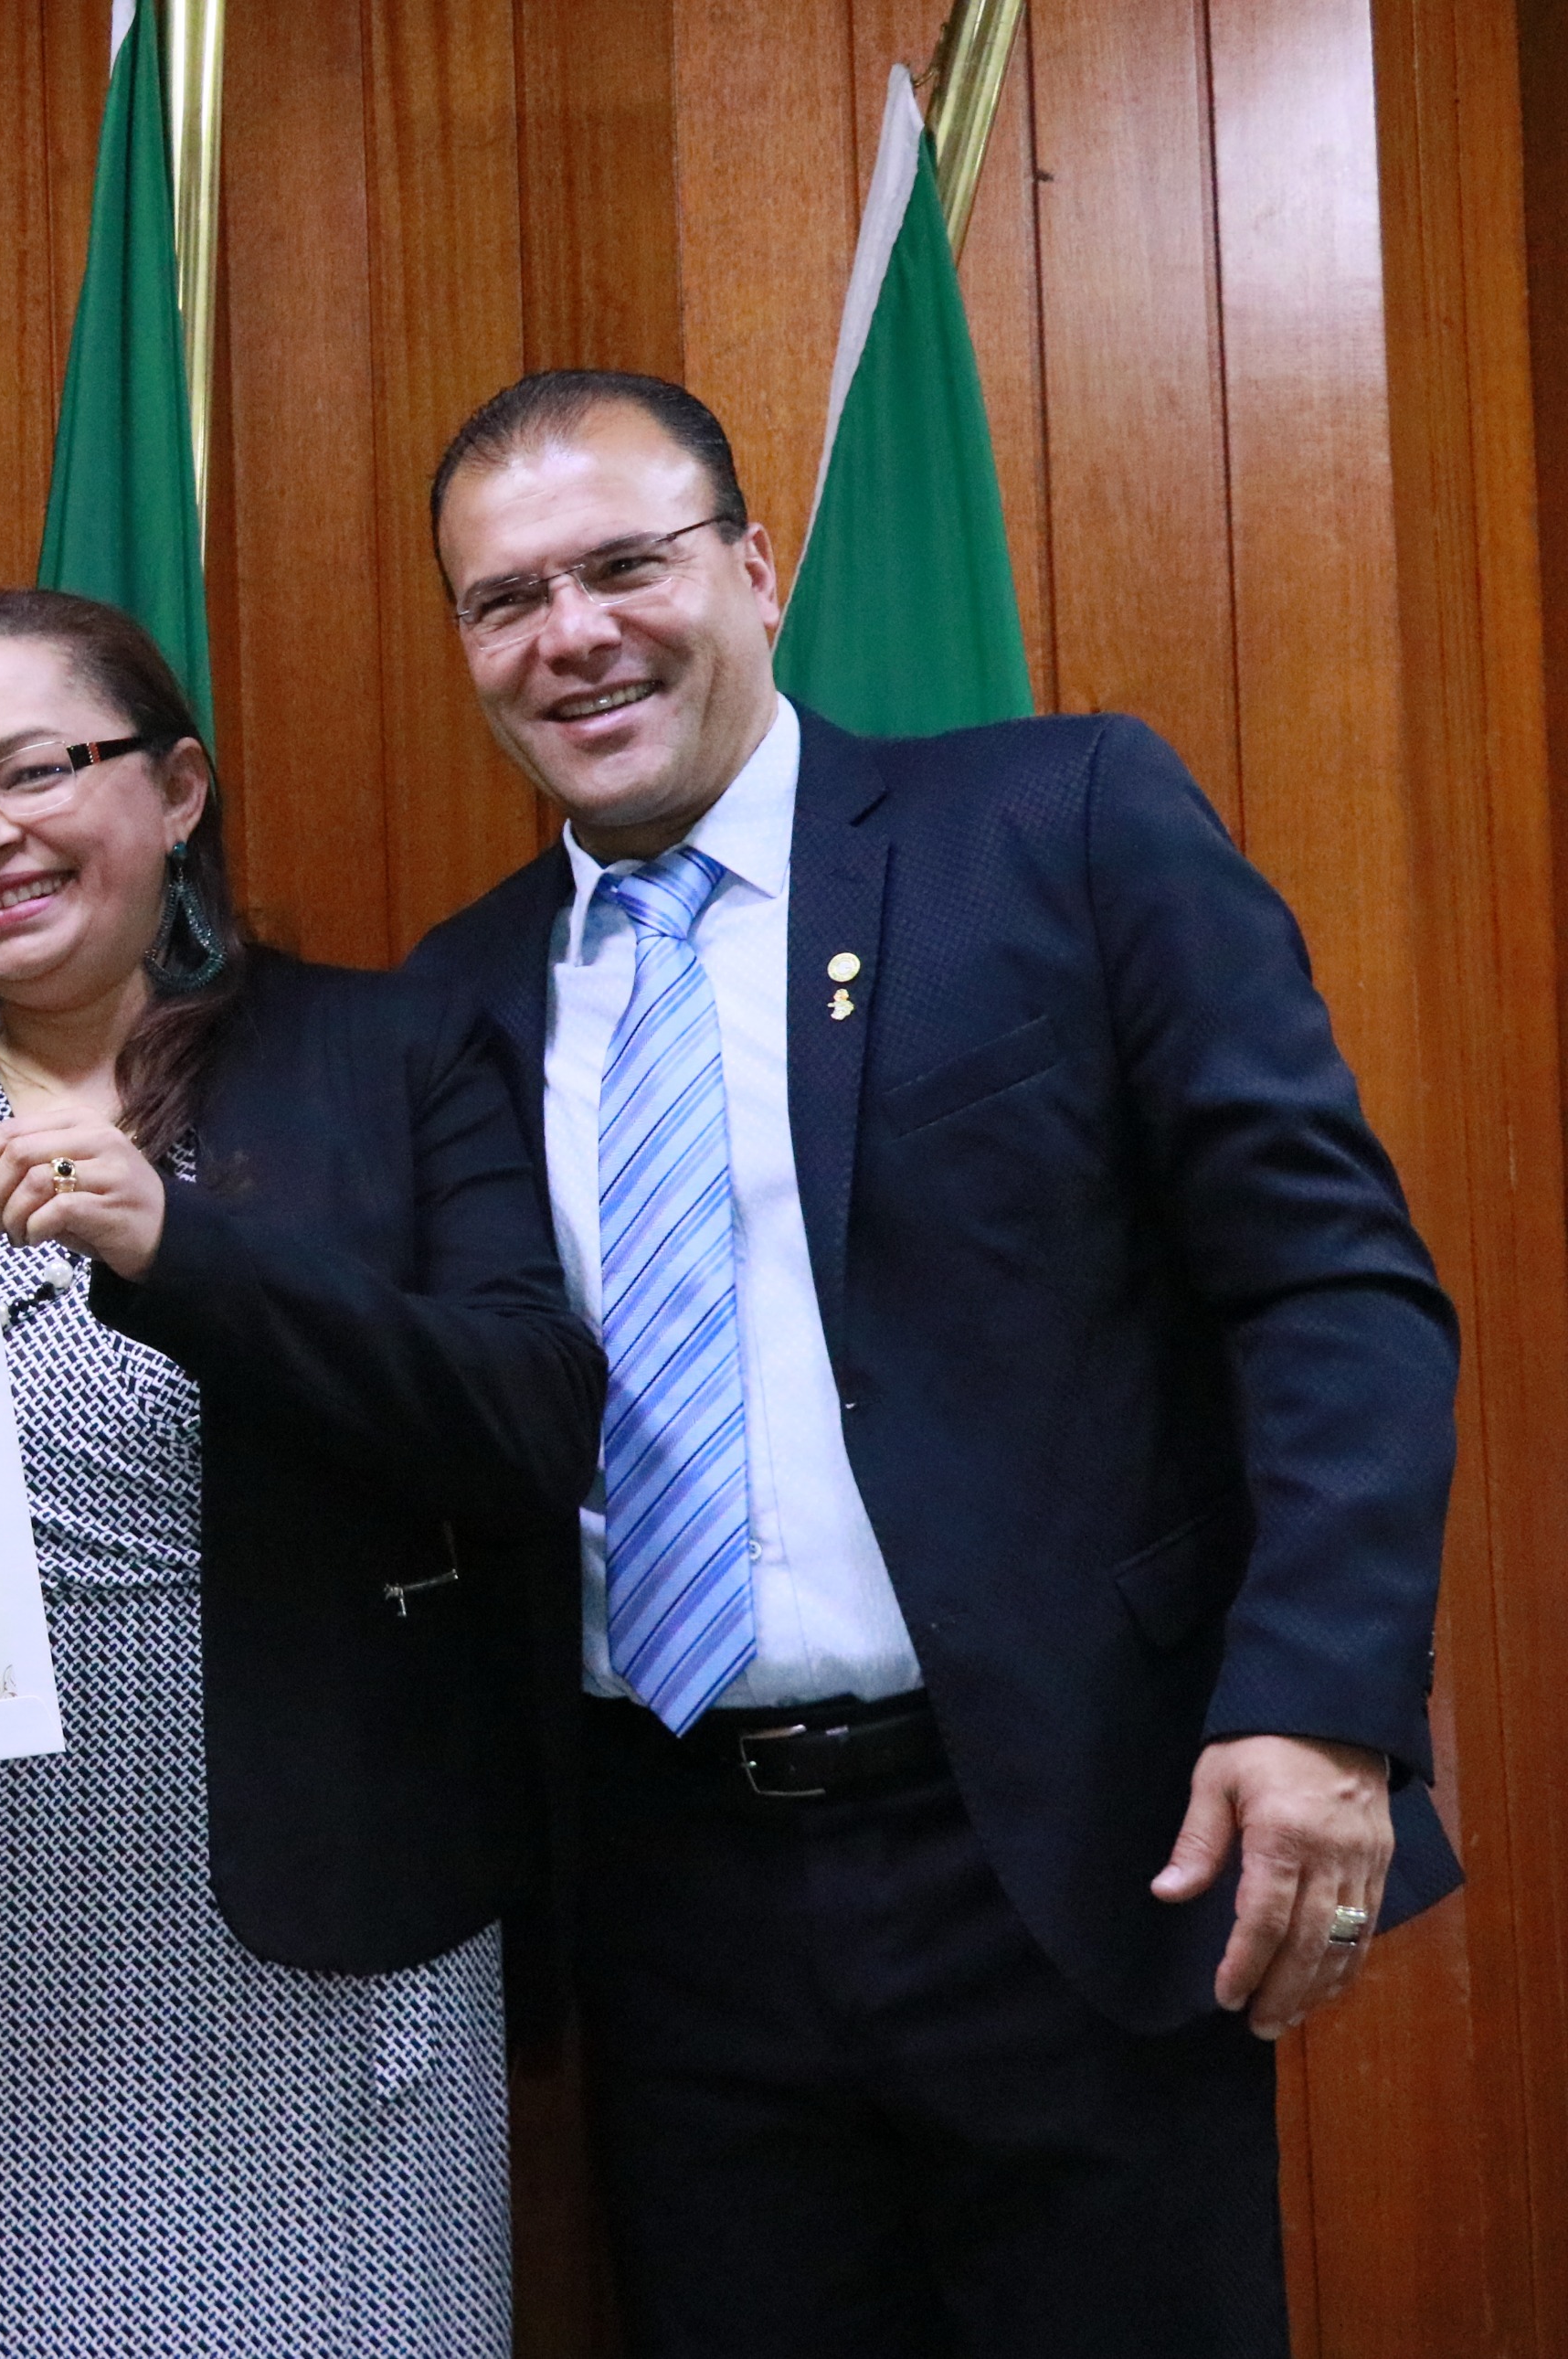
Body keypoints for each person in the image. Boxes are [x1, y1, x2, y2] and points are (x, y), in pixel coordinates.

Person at [397, 369, 1462, 2355]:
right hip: (671, 1900)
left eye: (625, 566)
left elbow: (1330, 1287)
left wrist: (1323, 1703)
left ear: (754, 569)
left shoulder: (1058, 822)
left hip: (1067, 1852)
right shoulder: (452, 999)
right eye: (505, 598)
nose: (573, 635)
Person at [0, 588, 601, 2356]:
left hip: (315, 1924)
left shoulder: (388, 1056)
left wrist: (181, 1248)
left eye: (35, 770)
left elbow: (528, 1422)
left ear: (178, 788)